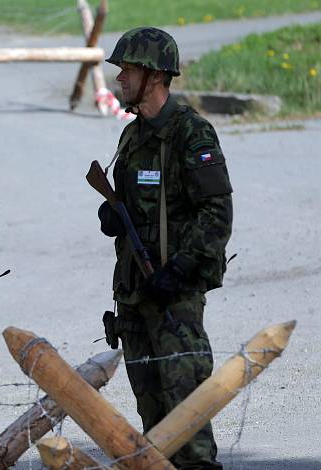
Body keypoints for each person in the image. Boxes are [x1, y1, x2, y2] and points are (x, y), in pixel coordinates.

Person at [98, 27, 233, 469]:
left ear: (154, 76)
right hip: (135, 295)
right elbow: (127, 205)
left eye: (127, 71)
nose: (119, 80)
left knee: (187, 412)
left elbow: (216, 211)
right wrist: (112, 219)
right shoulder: (132, 137)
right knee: (152, 418)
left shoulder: (191, 133)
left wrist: (184, 266)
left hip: (174, 294)